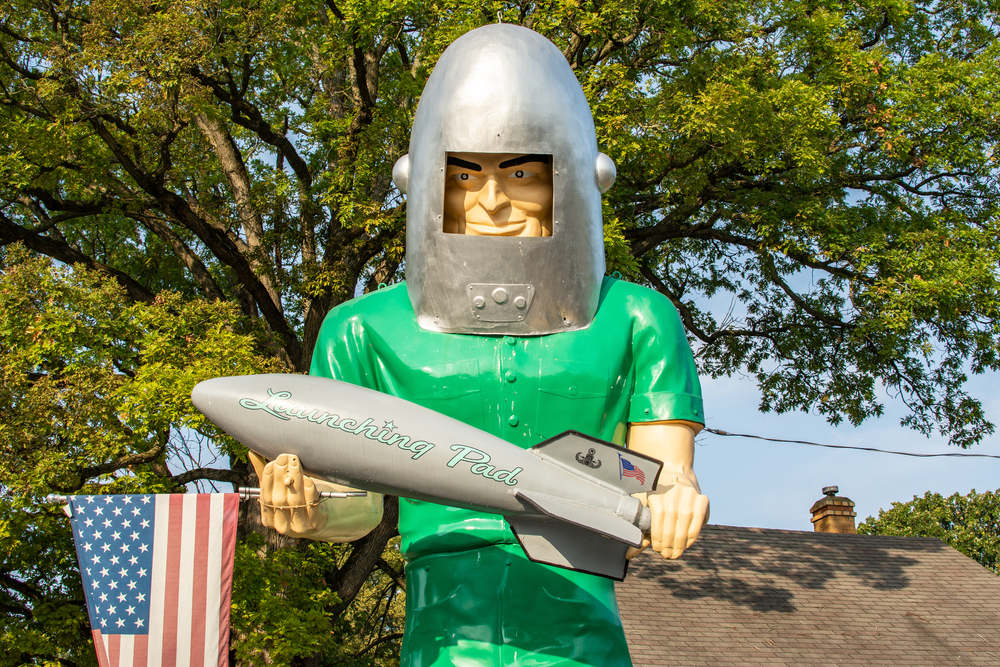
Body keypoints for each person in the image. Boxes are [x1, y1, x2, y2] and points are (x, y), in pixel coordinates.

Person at [250, 24, 709, 667]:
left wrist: (675, 496)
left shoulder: (637, 317)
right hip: (440, 640)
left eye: (520, 173)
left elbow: (656, 478)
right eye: (467, 176)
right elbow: (354, 509)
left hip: (583, 638)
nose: (492, 201)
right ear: (427, 183)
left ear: (575, 179)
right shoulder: (361, 330)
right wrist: (309, 506)